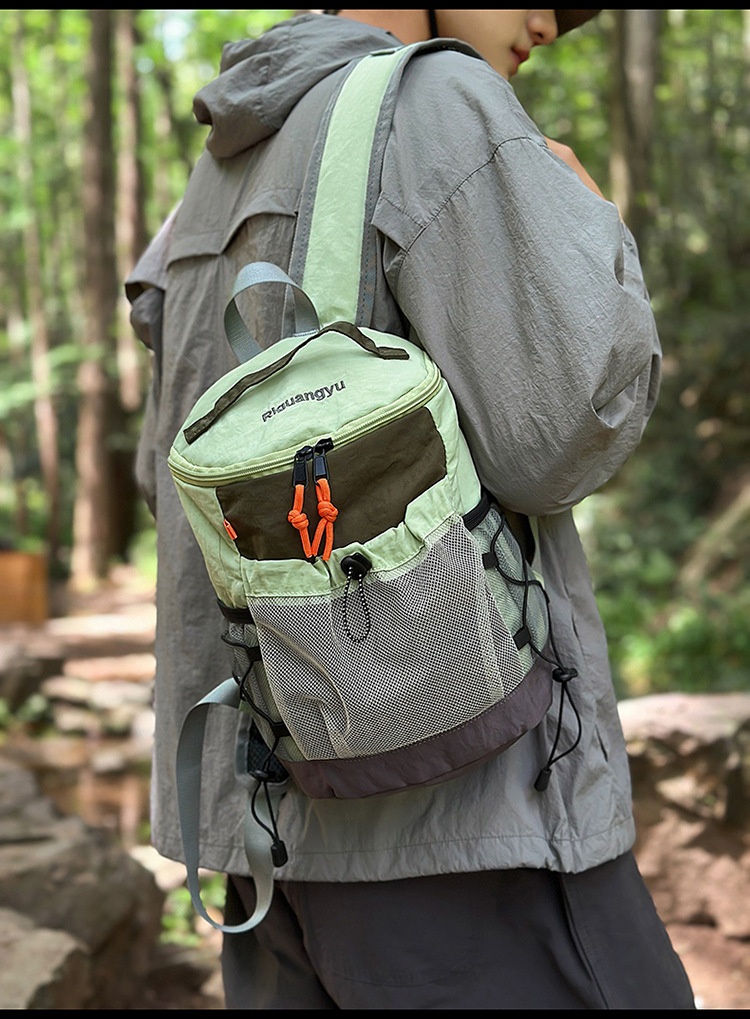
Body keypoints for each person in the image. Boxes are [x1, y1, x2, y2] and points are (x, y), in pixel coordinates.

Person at [126, 10, 696, 1009]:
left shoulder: (219, 170)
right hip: (465, 827)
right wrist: (594, 221)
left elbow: (163, 478)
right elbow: (562, 432)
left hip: (265, 839)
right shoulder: (437, 104)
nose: (548, 24)